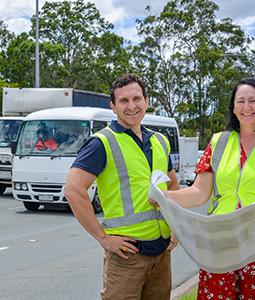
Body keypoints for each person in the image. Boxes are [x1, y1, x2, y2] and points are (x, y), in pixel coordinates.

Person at [160, 78, 255, 299]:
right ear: (233, 108)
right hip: (221, 244)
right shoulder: (218, 142)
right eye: (240, 101)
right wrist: (163, 196)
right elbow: (199, 192)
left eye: (253, 101)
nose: (247, 107)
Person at [64, 74, 179, 300]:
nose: (132, 106)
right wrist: (103, 238)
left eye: (137, 98)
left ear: (146, 101)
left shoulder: (160, 141)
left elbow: (172, 185)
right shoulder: (101, 143)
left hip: (162, 255)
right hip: (127, 256)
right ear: (113, 107)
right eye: (124, 101)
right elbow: (73, 190)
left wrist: (177, 226)